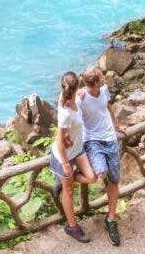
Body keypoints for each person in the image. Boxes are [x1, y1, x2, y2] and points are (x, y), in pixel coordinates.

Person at [79, 66, 127, 246]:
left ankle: (111, 219)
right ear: (95, 82)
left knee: (114, 180)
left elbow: (108, 106)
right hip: (92, 141)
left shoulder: (104, 89)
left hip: (110, 139)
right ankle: (67, 178)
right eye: (101, 76)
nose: (104, 76)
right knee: (101, 173)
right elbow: (64, 107)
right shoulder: (81, 98)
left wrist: (117, 125)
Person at [50, 71, 98, 243]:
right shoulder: (65, 113)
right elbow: (59, 139)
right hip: (63, 156)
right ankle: (71, 226)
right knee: (69, 191)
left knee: (92, 177)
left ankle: (62, 180)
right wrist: (64, 164)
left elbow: (72, 94)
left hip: (77, 149)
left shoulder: (71, 97)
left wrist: (82, 91)